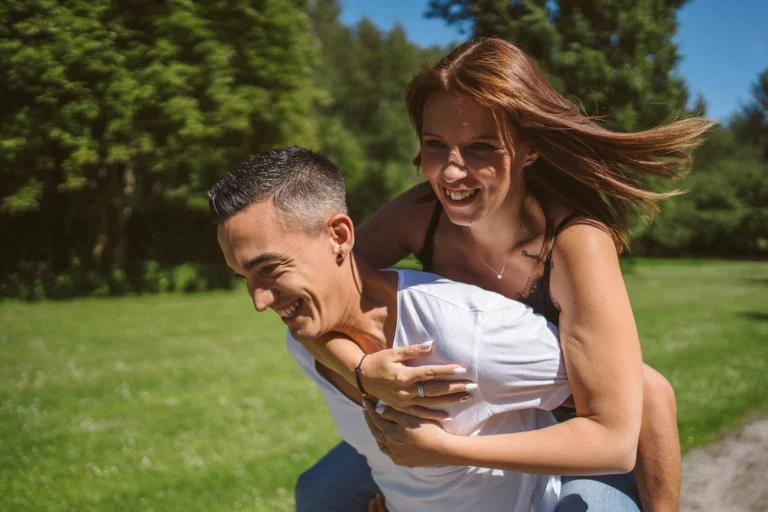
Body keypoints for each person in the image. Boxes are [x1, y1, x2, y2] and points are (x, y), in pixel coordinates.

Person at [295, 37, 715, 512]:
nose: (452, 172)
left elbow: (630, 418)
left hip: (573, 437)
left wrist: (441, 455)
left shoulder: (577, 243)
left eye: (480, 148)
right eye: (436, 145)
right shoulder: (418, 214)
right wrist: (361, 370)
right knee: (320, 493)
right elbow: (306, 295)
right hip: (479, 418)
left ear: (529, 147)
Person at [209, 146, 641, 512]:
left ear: (339, 236)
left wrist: (443, 450)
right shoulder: (307, 336)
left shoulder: (470, 333)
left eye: (269, 268)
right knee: (319, 491)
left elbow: (636, 403)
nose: (259, 301)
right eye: (243, 278)